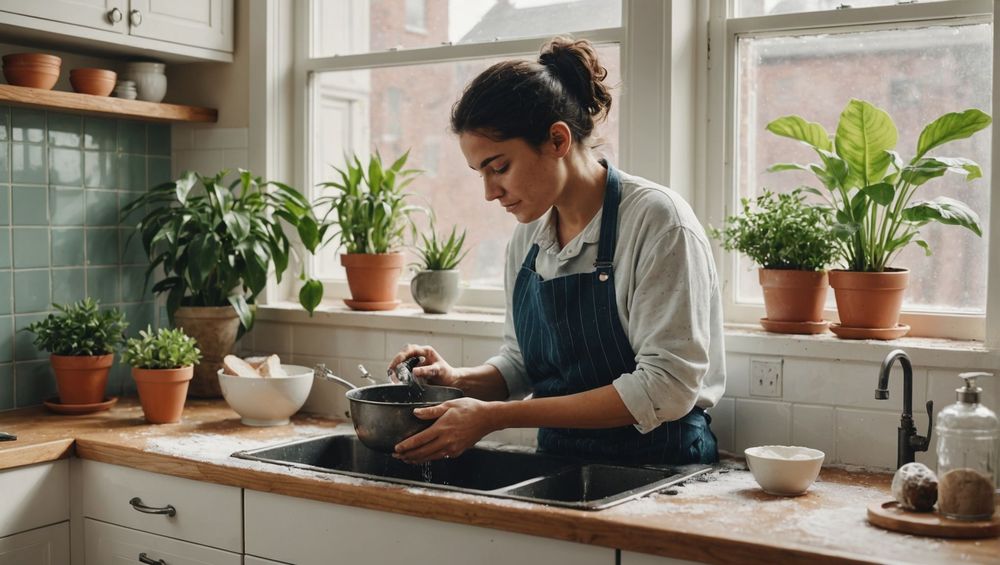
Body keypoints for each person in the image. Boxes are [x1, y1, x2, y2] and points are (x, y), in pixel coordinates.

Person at [389, 36, 725, 466]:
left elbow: (668, 387)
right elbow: (521, 365)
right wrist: (457, 381)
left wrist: (495, 417)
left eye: (499, 167)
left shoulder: (657, 222)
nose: (491, 193)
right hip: (560, 461)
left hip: (659, 466)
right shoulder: (528, 237)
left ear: (557, 140)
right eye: (480, 174)